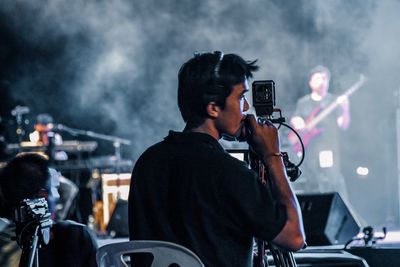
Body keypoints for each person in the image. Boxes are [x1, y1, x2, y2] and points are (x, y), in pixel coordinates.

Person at [128, 51, 305, 267]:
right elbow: (294, 237)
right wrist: (272, 156)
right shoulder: (229, 172)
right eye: (241, 97)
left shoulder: (147, 162)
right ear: (213, 108)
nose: (247, 108)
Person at [0, 153, 98, 267]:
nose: (57, 196)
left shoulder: (5, 243)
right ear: (43, 196)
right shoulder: (75, 237)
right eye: (55, 190)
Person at [288, 65, 350, 199]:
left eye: (324, 78)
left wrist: (345, 109)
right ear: (310, 82)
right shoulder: (303, 102)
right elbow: (295, 118)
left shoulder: (333, 101)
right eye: (318, 78)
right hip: (309, 149)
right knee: (312, 182)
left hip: (327, 148)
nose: (322, 81)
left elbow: (343, 125)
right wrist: (297, 120)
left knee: (331, 181)